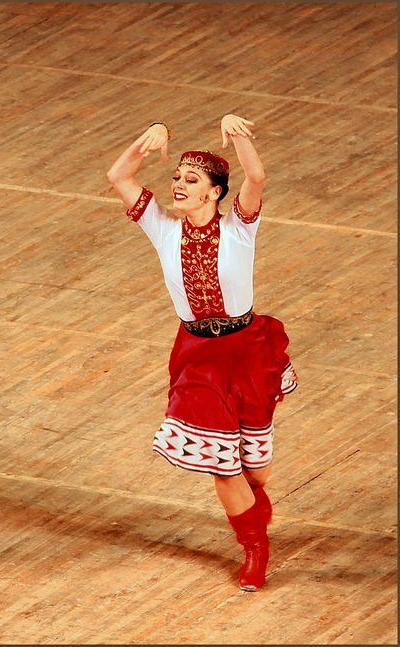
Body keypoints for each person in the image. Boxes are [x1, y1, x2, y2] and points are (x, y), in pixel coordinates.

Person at [106, 115, 298, 591]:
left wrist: (236, 138)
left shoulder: (239, 228)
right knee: (222, 464)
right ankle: (255, 549)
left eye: (191, 180)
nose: (178, 185)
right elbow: (118, 176)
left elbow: (255, 177)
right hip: (198, 356)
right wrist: (151, 136)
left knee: (255, 470)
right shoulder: (163, 229)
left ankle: (252, 511)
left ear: (215, 192)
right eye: (176, 177)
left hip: (248, 351)